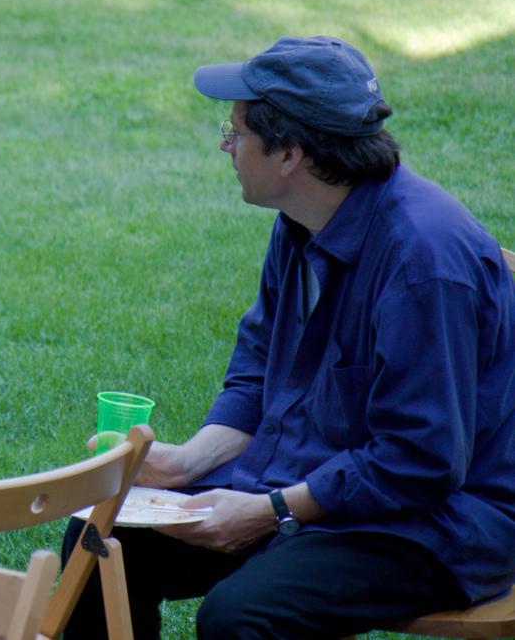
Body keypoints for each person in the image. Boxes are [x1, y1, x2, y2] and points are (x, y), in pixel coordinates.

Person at [61, 35, 515, 639]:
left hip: (434, 520)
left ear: (289, 155)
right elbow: (257, 373)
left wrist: (270, 511)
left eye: (236, 130)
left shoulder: (423, 263)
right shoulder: (303, 222)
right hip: (316, 475)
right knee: (97, 541)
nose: (225, 144)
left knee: (240, 615)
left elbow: (422, 461)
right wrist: (186, 463)